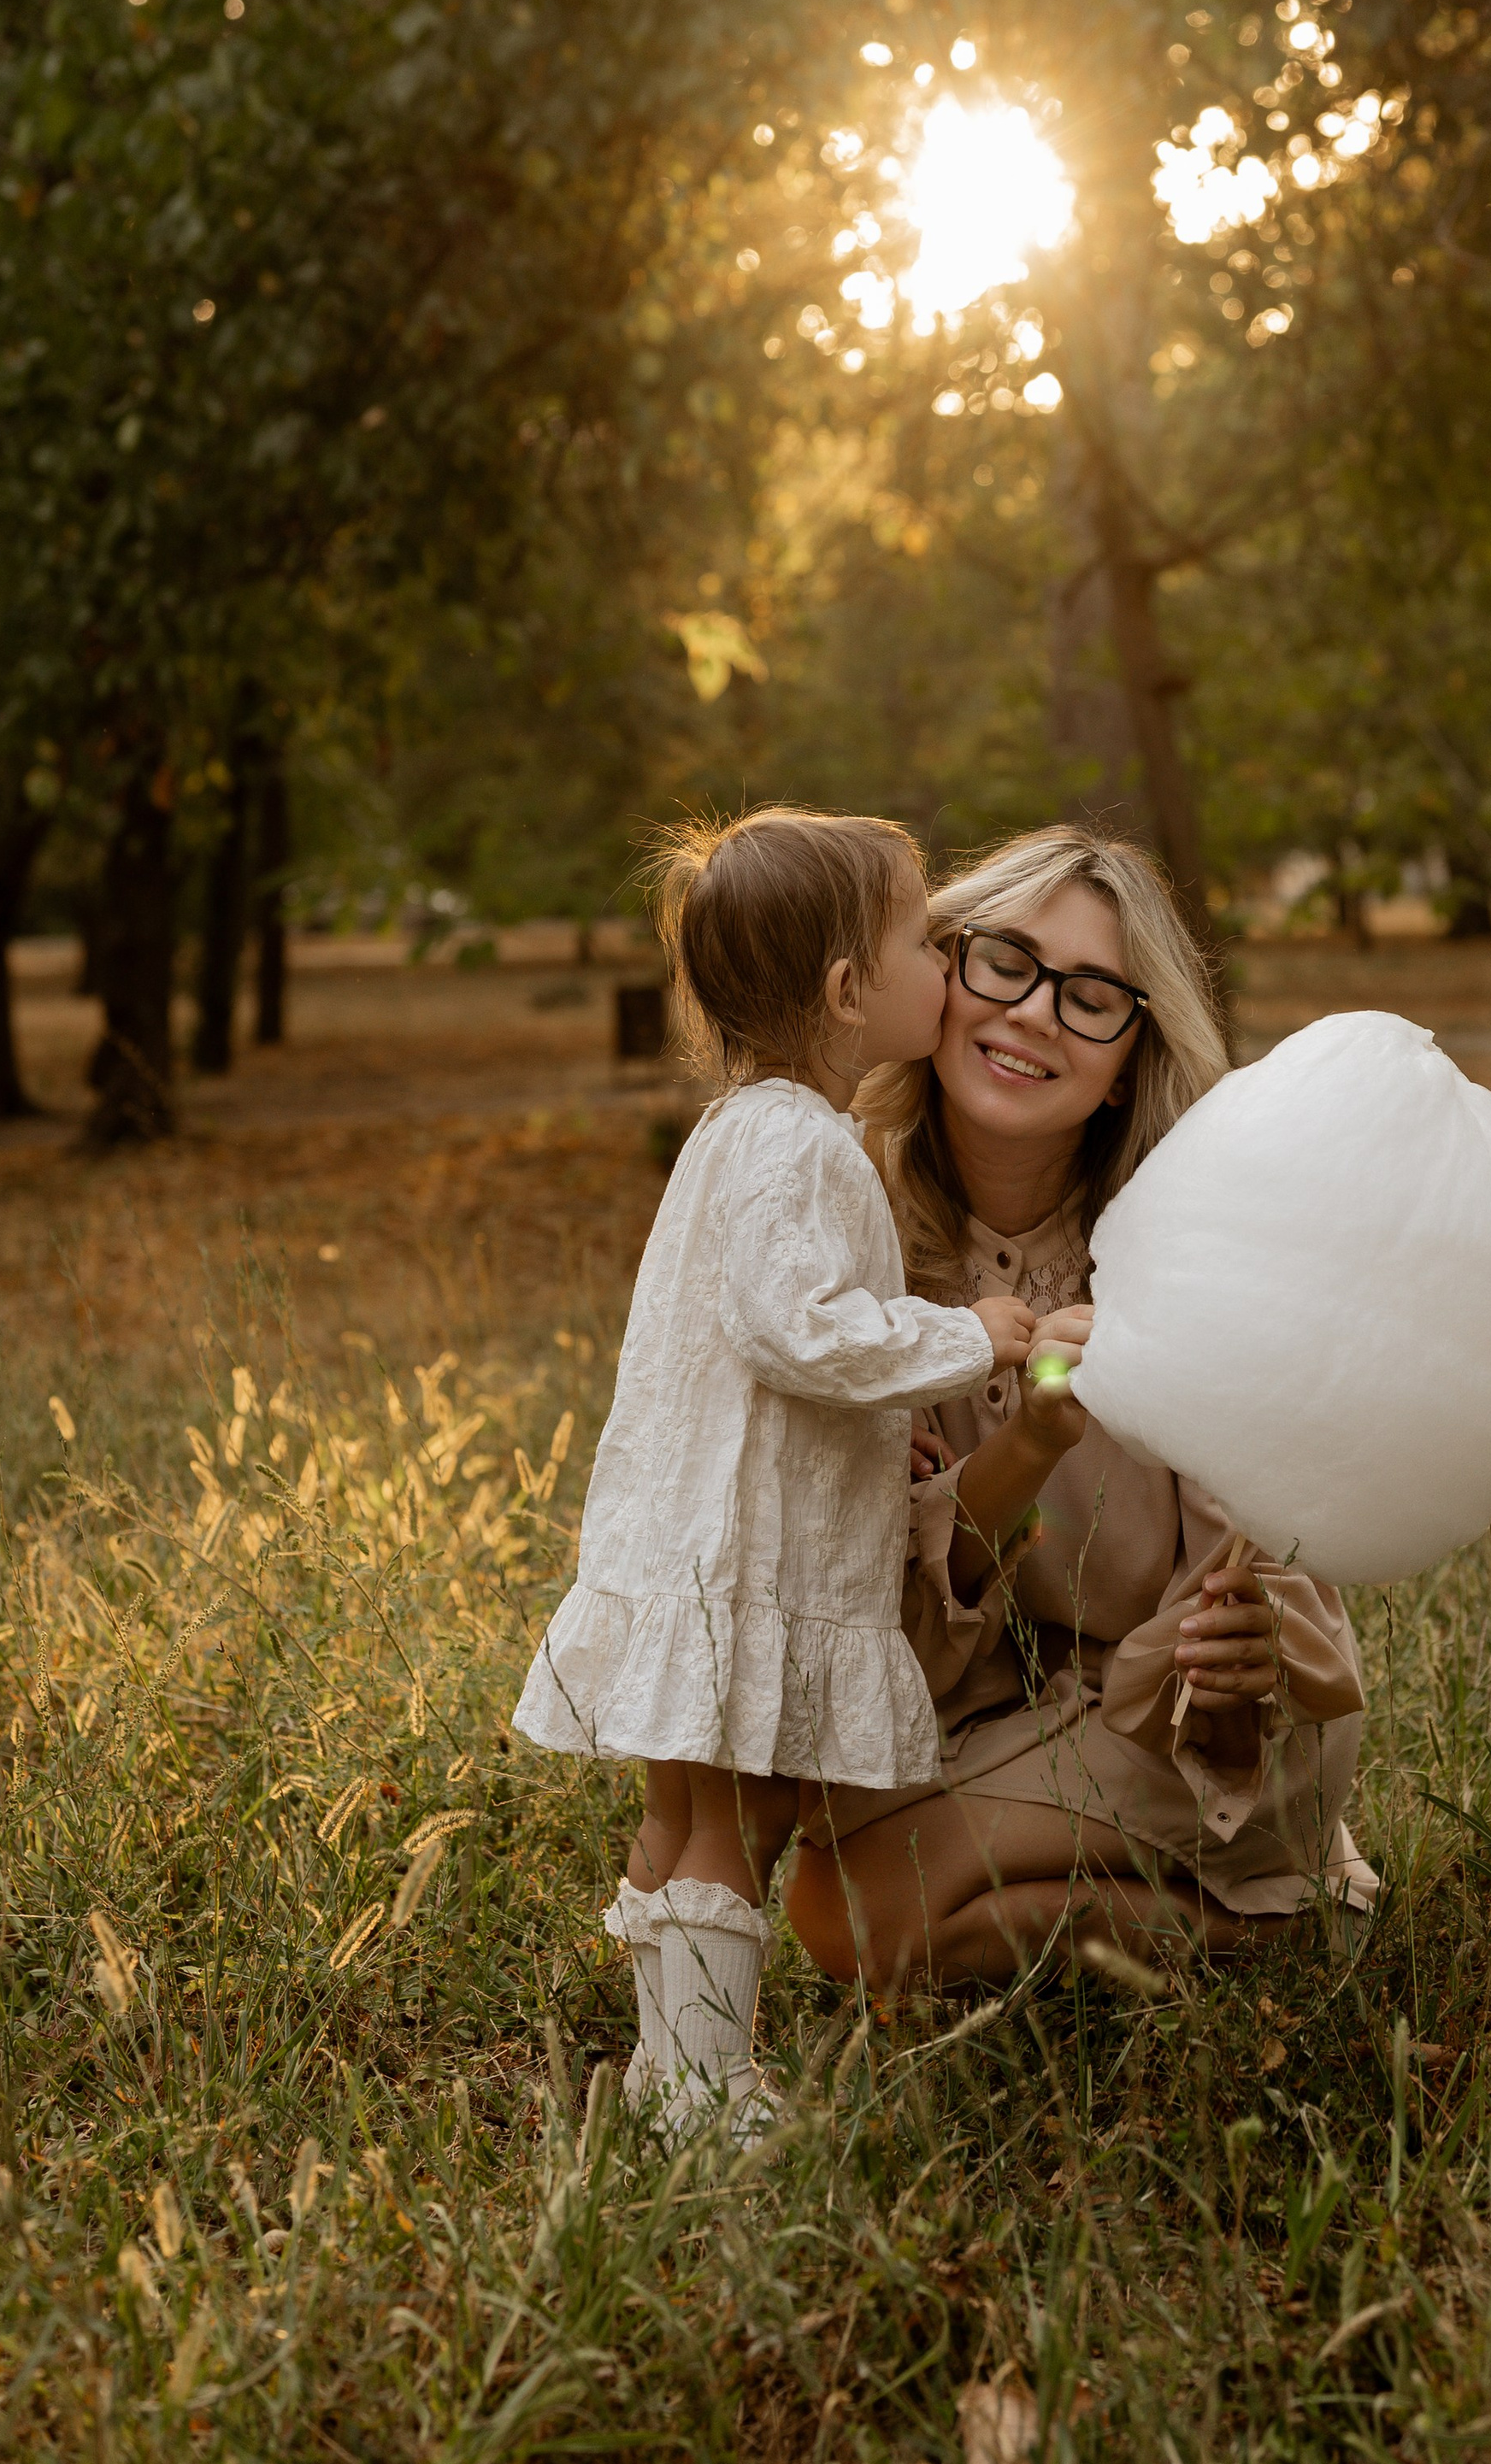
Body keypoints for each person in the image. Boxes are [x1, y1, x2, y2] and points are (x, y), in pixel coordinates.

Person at [510, 807, 1035, 2126]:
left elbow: (764, 1350)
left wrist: (882, 1417)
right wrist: (966, 1336)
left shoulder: (748, 1133)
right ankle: (705, 2087)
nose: (951, 962)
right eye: (927, 940)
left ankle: (660, 2064)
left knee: (684, 1812)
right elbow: (796, 1327)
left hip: (696, 1537)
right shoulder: (798, 1142)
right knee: (739, 1823)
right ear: (851, 992)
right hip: (744, 1555)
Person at [786, 826, 1374, 1991]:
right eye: (1007, 962)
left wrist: (1242, 1653)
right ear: (938, 970)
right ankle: (1191, 1918)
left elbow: (1267, 1575)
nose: (1040, 1013)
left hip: (1168, 1715)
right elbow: (859, 1601)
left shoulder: (1197, 1251)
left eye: (1094, 995)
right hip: (972, 1698)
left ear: (1130, 1053)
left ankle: (1277, 1931)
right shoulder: (844, 1227)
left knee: (848, 1917)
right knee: (824, 1869)